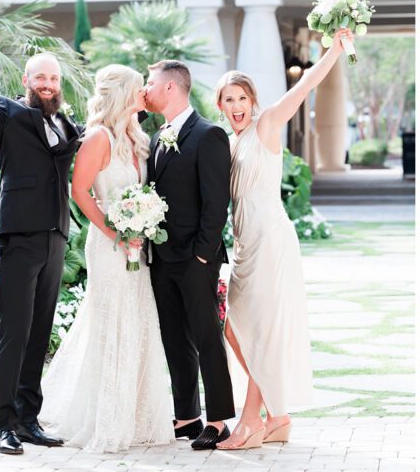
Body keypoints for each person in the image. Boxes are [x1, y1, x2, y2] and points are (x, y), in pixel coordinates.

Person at [213, 27, 355, 450]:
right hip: (244, 245)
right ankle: (278, 416)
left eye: (242, 98)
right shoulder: (230, 142)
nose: (236, 106)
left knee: (260, 331)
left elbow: (306, 84)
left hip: (271, 241)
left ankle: (251, 421)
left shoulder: (266, 124)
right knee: (235, 330)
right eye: (228, 100)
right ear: (219, 105)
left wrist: (331, 50)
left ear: (252, 101)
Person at [0, 19, 82, 455]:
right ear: (26, 81)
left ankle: (29, 418)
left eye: (54, 78)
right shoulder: (7, 113)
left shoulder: (66, 125)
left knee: (40, 331)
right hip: (16, 237)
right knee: (14, 332)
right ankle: (3, 426)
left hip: (54, 237)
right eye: (41, 77)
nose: (48, 84)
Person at [41, 65, 173, 452]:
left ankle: (137, 416)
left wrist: (142, 226)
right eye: (139, 89)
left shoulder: (138, 137)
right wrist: (116, 232)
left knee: (138, 318)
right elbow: (80, 190)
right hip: (109, 245)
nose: (145, 94)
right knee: (112, 321)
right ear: (122, 94)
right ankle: (107, 417)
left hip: (138, 245)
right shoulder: (98, 137)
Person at [143, 60, 235, 450]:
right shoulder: (156, 136)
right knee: (174, 339)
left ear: (169, 88)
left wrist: (203, 255)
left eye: (149, 82)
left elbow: (217, 202)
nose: (145, 88)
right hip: (162, 258)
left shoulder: (209, 135)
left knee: (206, 337)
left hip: (196, 259)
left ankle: (218, 420)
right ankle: (187, 416)